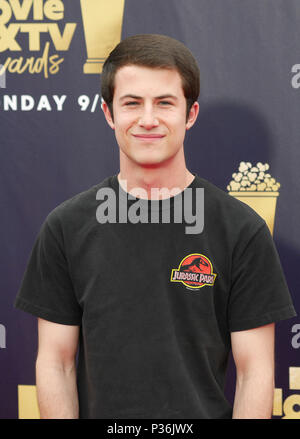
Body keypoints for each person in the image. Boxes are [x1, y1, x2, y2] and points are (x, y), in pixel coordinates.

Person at [14, 34, 296, 419]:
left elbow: (255, 372)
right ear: (109, 113)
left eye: (165, 103)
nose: (148, 119)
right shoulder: (66, 227)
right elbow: (56, 363)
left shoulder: (240, 230)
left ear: (190, 114)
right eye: (132, 103)